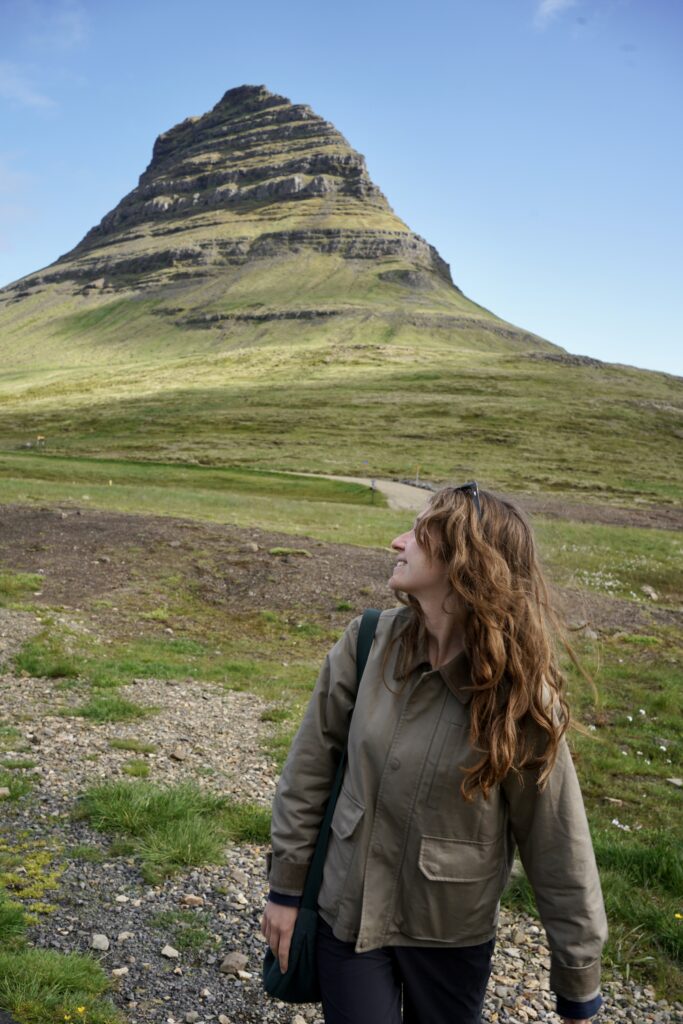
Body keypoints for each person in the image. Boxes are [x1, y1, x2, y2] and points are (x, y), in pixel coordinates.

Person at [261, 482, 607, 1023]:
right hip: (346, 915)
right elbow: (307, 773)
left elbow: (557, 842)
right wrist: (284, 890)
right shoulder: (366, 642)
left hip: (451, 934)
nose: (397, 543)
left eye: (418, 532)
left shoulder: (519, 698)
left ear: (465, 561)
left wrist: (577, 982)